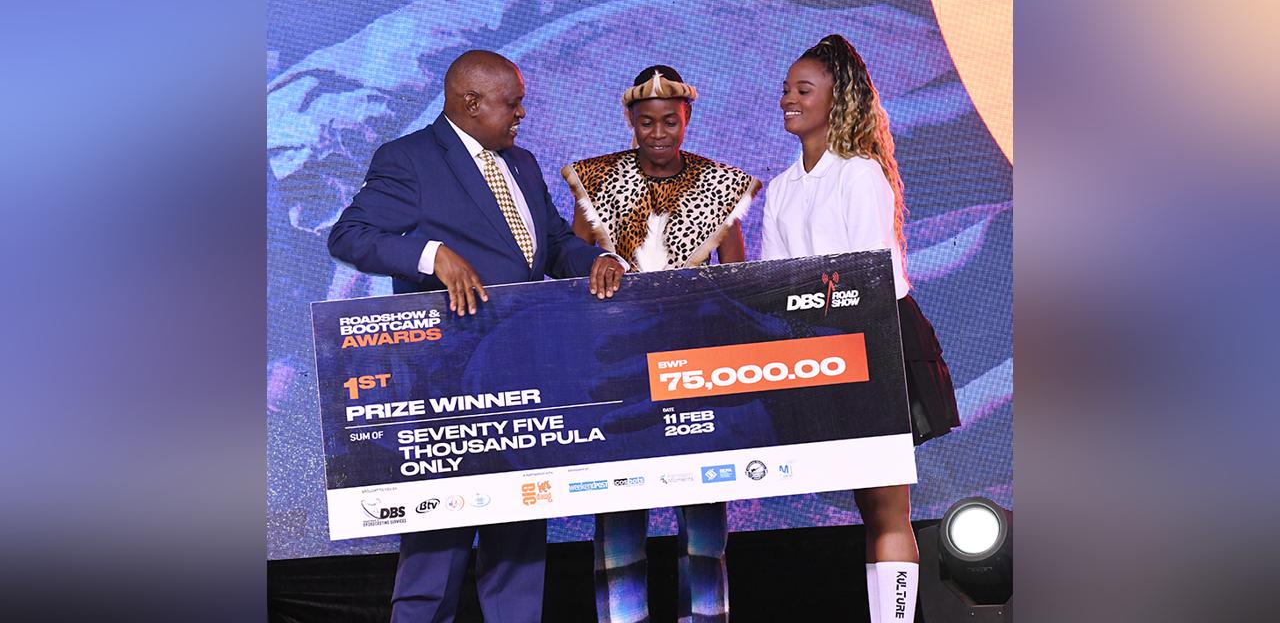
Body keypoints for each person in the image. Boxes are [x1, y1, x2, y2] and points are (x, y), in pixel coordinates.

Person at [328, 49, 627, 623]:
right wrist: (431, 254)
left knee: (519, 547)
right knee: (435, 553)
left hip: (527, 385)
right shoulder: (410, 159)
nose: (521, 114)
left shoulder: (523, 163)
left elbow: (552, 245)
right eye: (512, 103)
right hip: (446, 390)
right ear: (470, 102)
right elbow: (350, 235)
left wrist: (597, 259)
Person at [761, 35, 961, 623]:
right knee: (868, 507)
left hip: (876, 345)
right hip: (818, 354)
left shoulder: (860, 174)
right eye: (786, 90)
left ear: (837, 99)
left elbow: (873, 279)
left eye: (804, 90)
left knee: (888, 508)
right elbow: (773, 282)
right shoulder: (780, 188)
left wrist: (818, 313)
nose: (788, 99)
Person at [561, 65, 761, 623]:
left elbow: (737, 280)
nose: (658, 133)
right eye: (646, 122)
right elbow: (572, 269)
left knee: (703, 521)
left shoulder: (719, 184)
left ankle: (706, 617)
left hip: (695, 367)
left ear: (686, 118)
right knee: (620, 514)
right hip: (617, 363)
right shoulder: (596, 181)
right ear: (631, 121)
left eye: (669, 121)